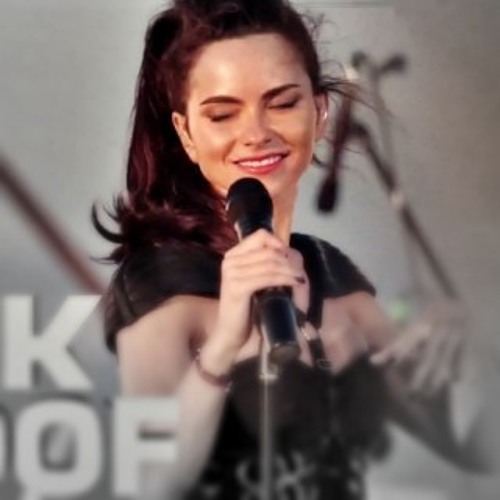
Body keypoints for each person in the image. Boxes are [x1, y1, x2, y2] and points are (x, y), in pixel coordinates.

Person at [93, 0, 494, 498]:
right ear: (186, 134)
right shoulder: (160, 283)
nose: (256, 134)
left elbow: (468, 455)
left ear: (320, 112)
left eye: (282, 104)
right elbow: (153, 480)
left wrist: (464, 366)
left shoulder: (333, 273)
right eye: (222, 114)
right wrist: (221, 349)